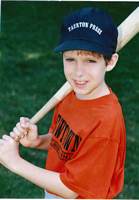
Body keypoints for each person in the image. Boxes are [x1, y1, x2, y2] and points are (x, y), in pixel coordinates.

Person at [0, 7, 126, 199]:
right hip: (55, 189)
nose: (78, 72)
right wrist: (38, 141)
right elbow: (68, 142)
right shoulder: (72, 93)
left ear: (110, 62)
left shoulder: (105, 121)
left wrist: (15, 162)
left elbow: (71, 189)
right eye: (70, 59)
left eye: (90, 61)